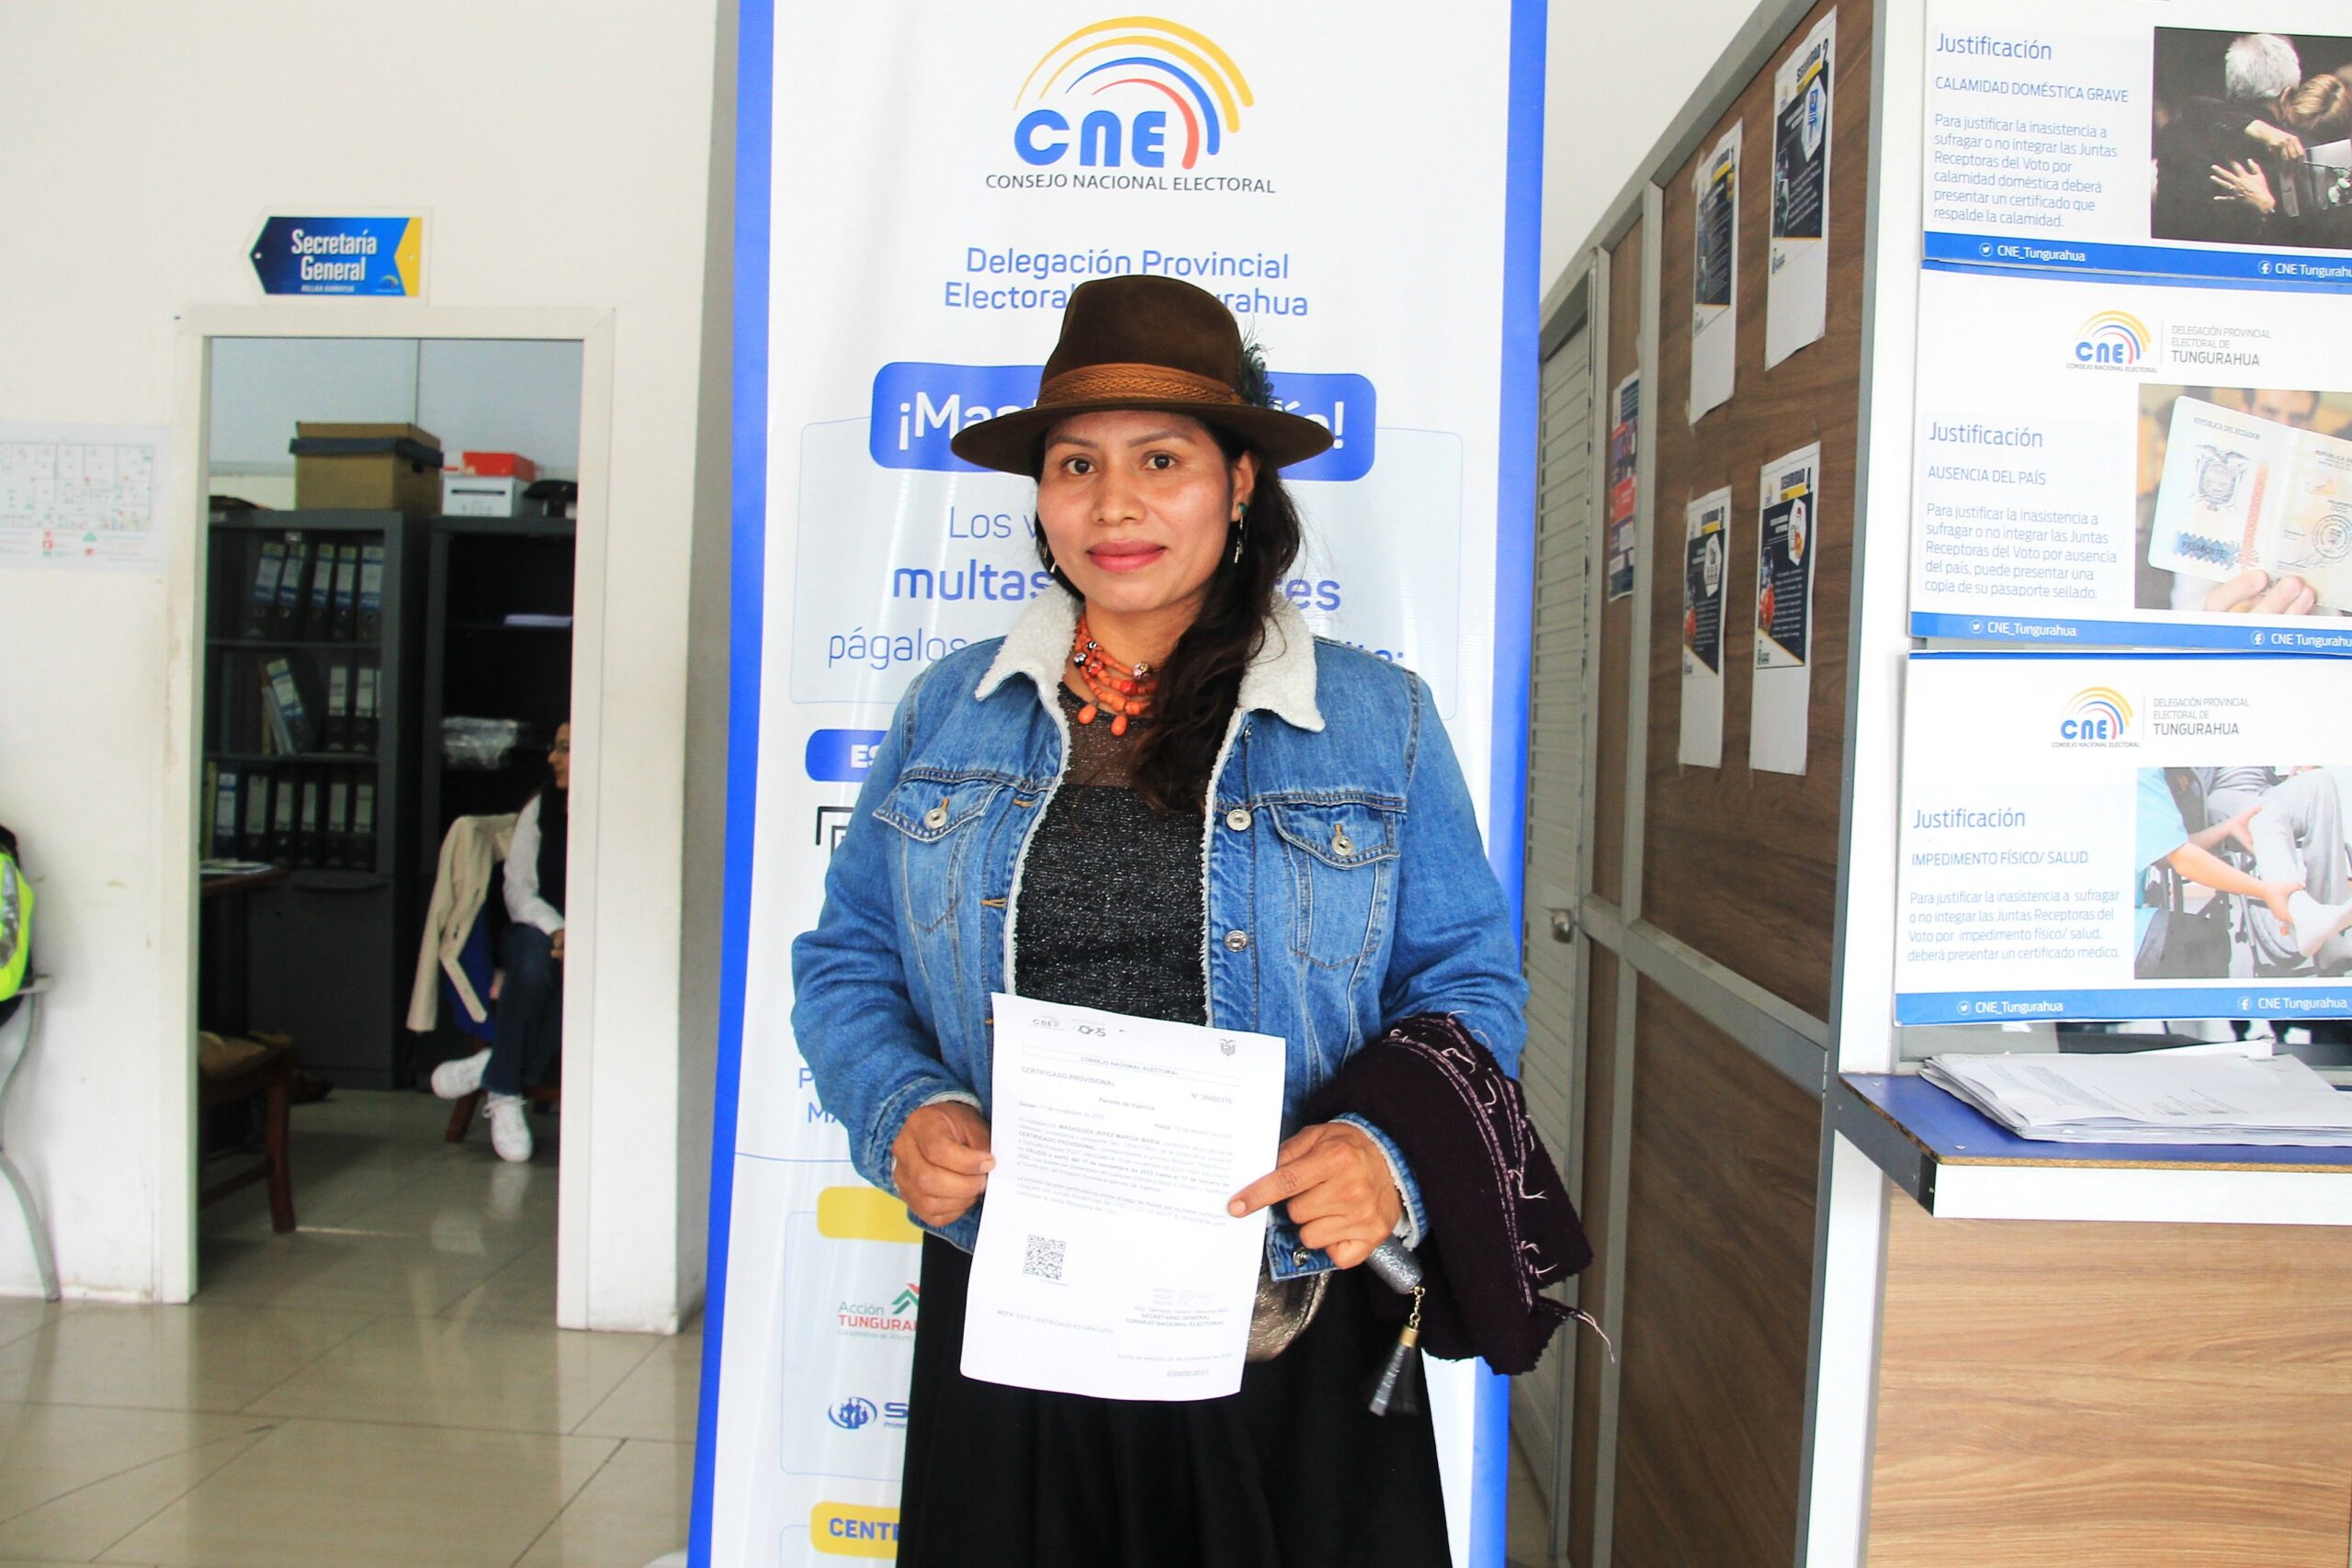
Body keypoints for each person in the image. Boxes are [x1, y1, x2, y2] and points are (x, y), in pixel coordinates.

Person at [790, 276, 1529, 1567]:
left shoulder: (1377, 720)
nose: (1114, 504)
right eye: (1076, 464)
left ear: (1239, 483)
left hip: (1289, 1304)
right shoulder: (948, 712)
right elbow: (846, 957)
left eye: (1162, 460)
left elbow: (1468, 982)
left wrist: (1383, 1153)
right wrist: (904, 1106)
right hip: (1020, 1285)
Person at [433, 722, 570, 1161]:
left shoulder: (620, 812)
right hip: (535, 925)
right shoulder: (540, 807)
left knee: (580, 981)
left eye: (565, 749)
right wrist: (557, 929)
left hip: (594, 937)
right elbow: (518, 889)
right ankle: (507, 1091)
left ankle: (497, 1072)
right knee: (532, 968)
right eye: (555, 747)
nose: (552, 758)